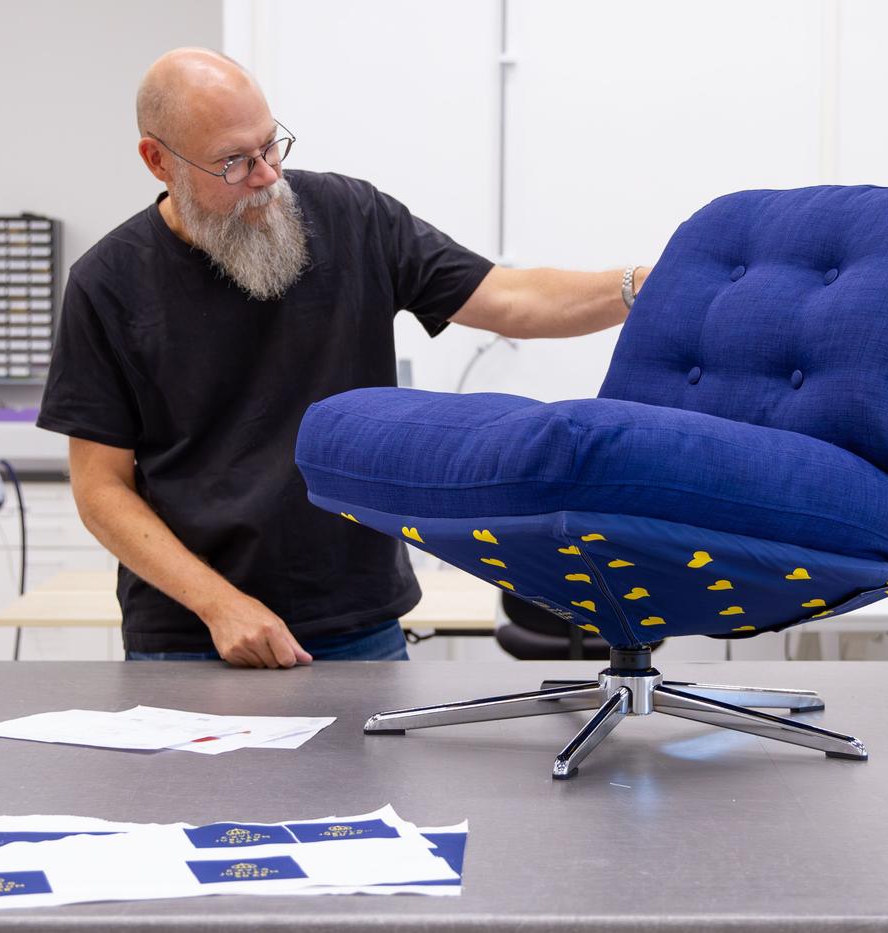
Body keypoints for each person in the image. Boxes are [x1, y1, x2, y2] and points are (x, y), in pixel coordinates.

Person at [36, 48, 648, 668]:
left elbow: (511, 299)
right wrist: (220, 605)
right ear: (157, 160)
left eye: (270, 146)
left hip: (358, 621)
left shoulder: (353, 217)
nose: (266, 176)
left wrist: (640, 289)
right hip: (191, 637)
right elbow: (100, 488)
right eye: (233, 162)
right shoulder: (106, 284)